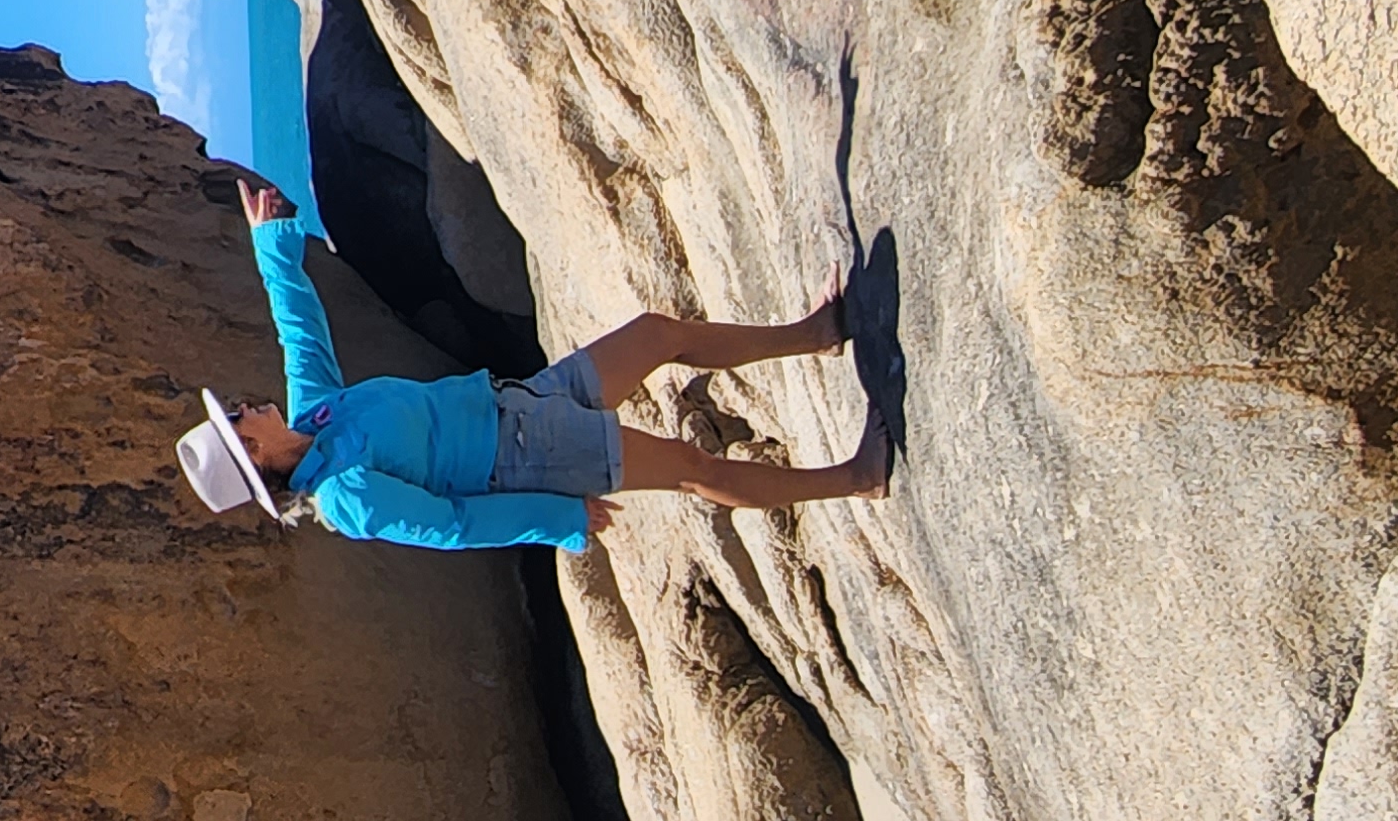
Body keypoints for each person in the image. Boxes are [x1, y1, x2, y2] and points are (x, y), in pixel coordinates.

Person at [174, 180, 885, 551]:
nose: (245, 404)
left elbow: (302, 333)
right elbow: (451, 525)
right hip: (530, 459)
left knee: (658, 334)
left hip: (522, 401)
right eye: (236, 416)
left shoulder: (319, 417)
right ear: (251, 449)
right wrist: (559, 519)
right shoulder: (346, 499)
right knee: (695, 468)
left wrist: (272, 246)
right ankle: (858, 479)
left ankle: (816, 332)